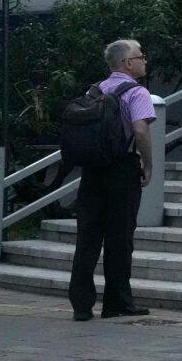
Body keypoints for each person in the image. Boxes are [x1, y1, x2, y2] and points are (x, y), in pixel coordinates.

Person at [68, 39, 155, 321]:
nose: (145, 60)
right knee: (119, 238)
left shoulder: (95, 90)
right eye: (141, 56)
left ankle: (81, 305)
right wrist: (148, 164)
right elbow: (140, 131)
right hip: (122, 170)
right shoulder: (137, 92)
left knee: (87, 237)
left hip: (92, 171)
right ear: (127, 63)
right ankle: (117, 302)